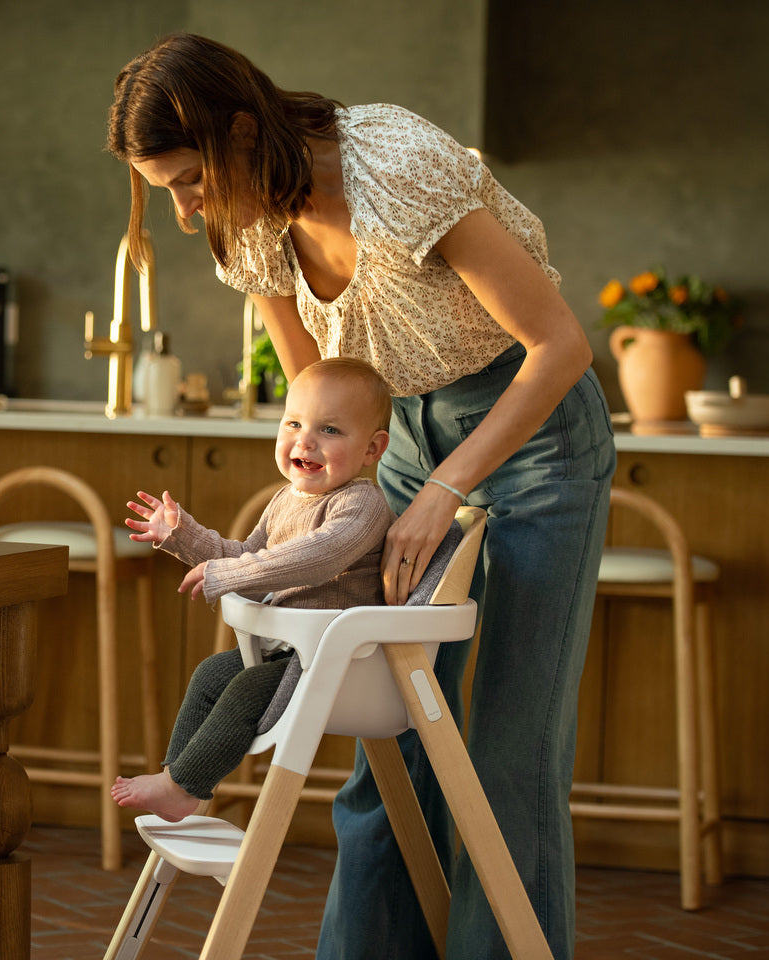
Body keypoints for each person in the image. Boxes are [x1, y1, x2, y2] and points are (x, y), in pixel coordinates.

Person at [107, 33, 616, 960]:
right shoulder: (248, 222)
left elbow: (561, 348)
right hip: (392, 438)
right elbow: (315, 384)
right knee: (396, 731)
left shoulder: (399, 168)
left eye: (189, 181)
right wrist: (310, 506)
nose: (185, 213)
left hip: (532, 433)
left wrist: (447, 488)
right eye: (166, 190)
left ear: (241, 131)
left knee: (505, 752)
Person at [112, 357, 394, 823]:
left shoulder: (362, 504)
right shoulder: (284, 500)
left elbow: (319, 556)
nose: (305, 441)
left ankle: (182, 786)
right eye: (294, 424)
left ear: (372, 449)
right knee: (209, 675)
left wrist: (227, 577)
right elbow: (243, 554)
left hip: (338, 659)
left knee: (243, 691)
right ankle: (178, 782)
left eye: (329, 430)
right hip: (291, 651)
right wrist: (180, 535)